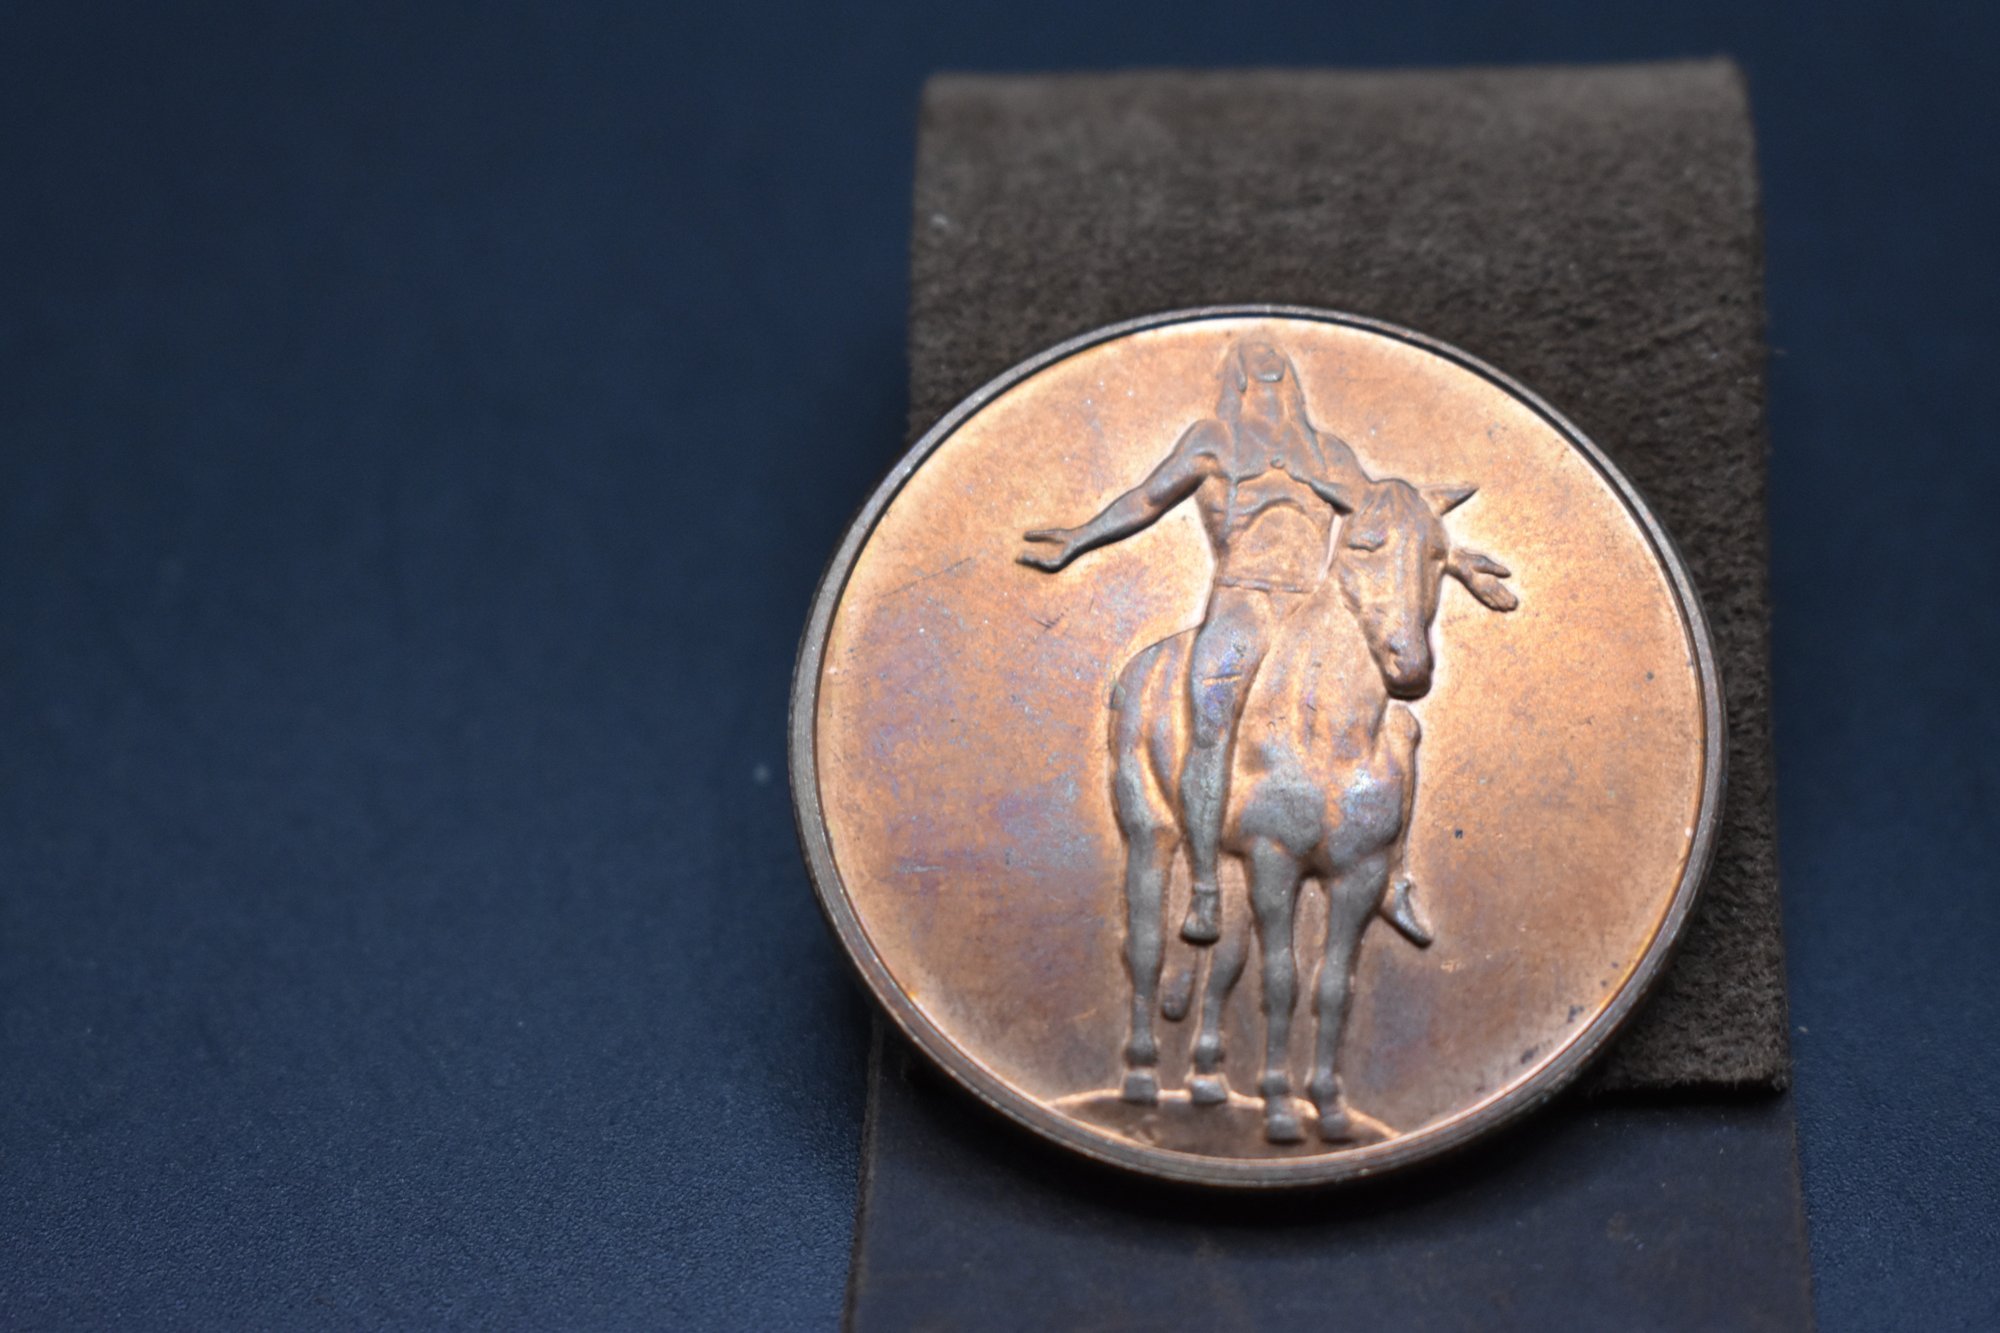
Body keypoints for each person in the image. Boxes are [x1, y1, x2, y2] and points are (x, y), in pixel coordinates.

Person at [1020, 339, 1368, 943]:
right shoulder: (1214, 441)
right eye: (1255, 359)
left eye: (1276, 360)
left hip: (1312, 608)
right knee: (1209, 722)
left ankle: (1387, 871)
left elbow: (1387, 512)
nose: (1267, 360)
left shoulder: (1327, 452)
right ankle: (1205, 886)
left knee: (1379, 718)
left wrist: (1453, 559)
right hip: (1242, 601)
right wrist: (1079, 538)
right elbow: (1148, 498)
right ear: (1238, 377)